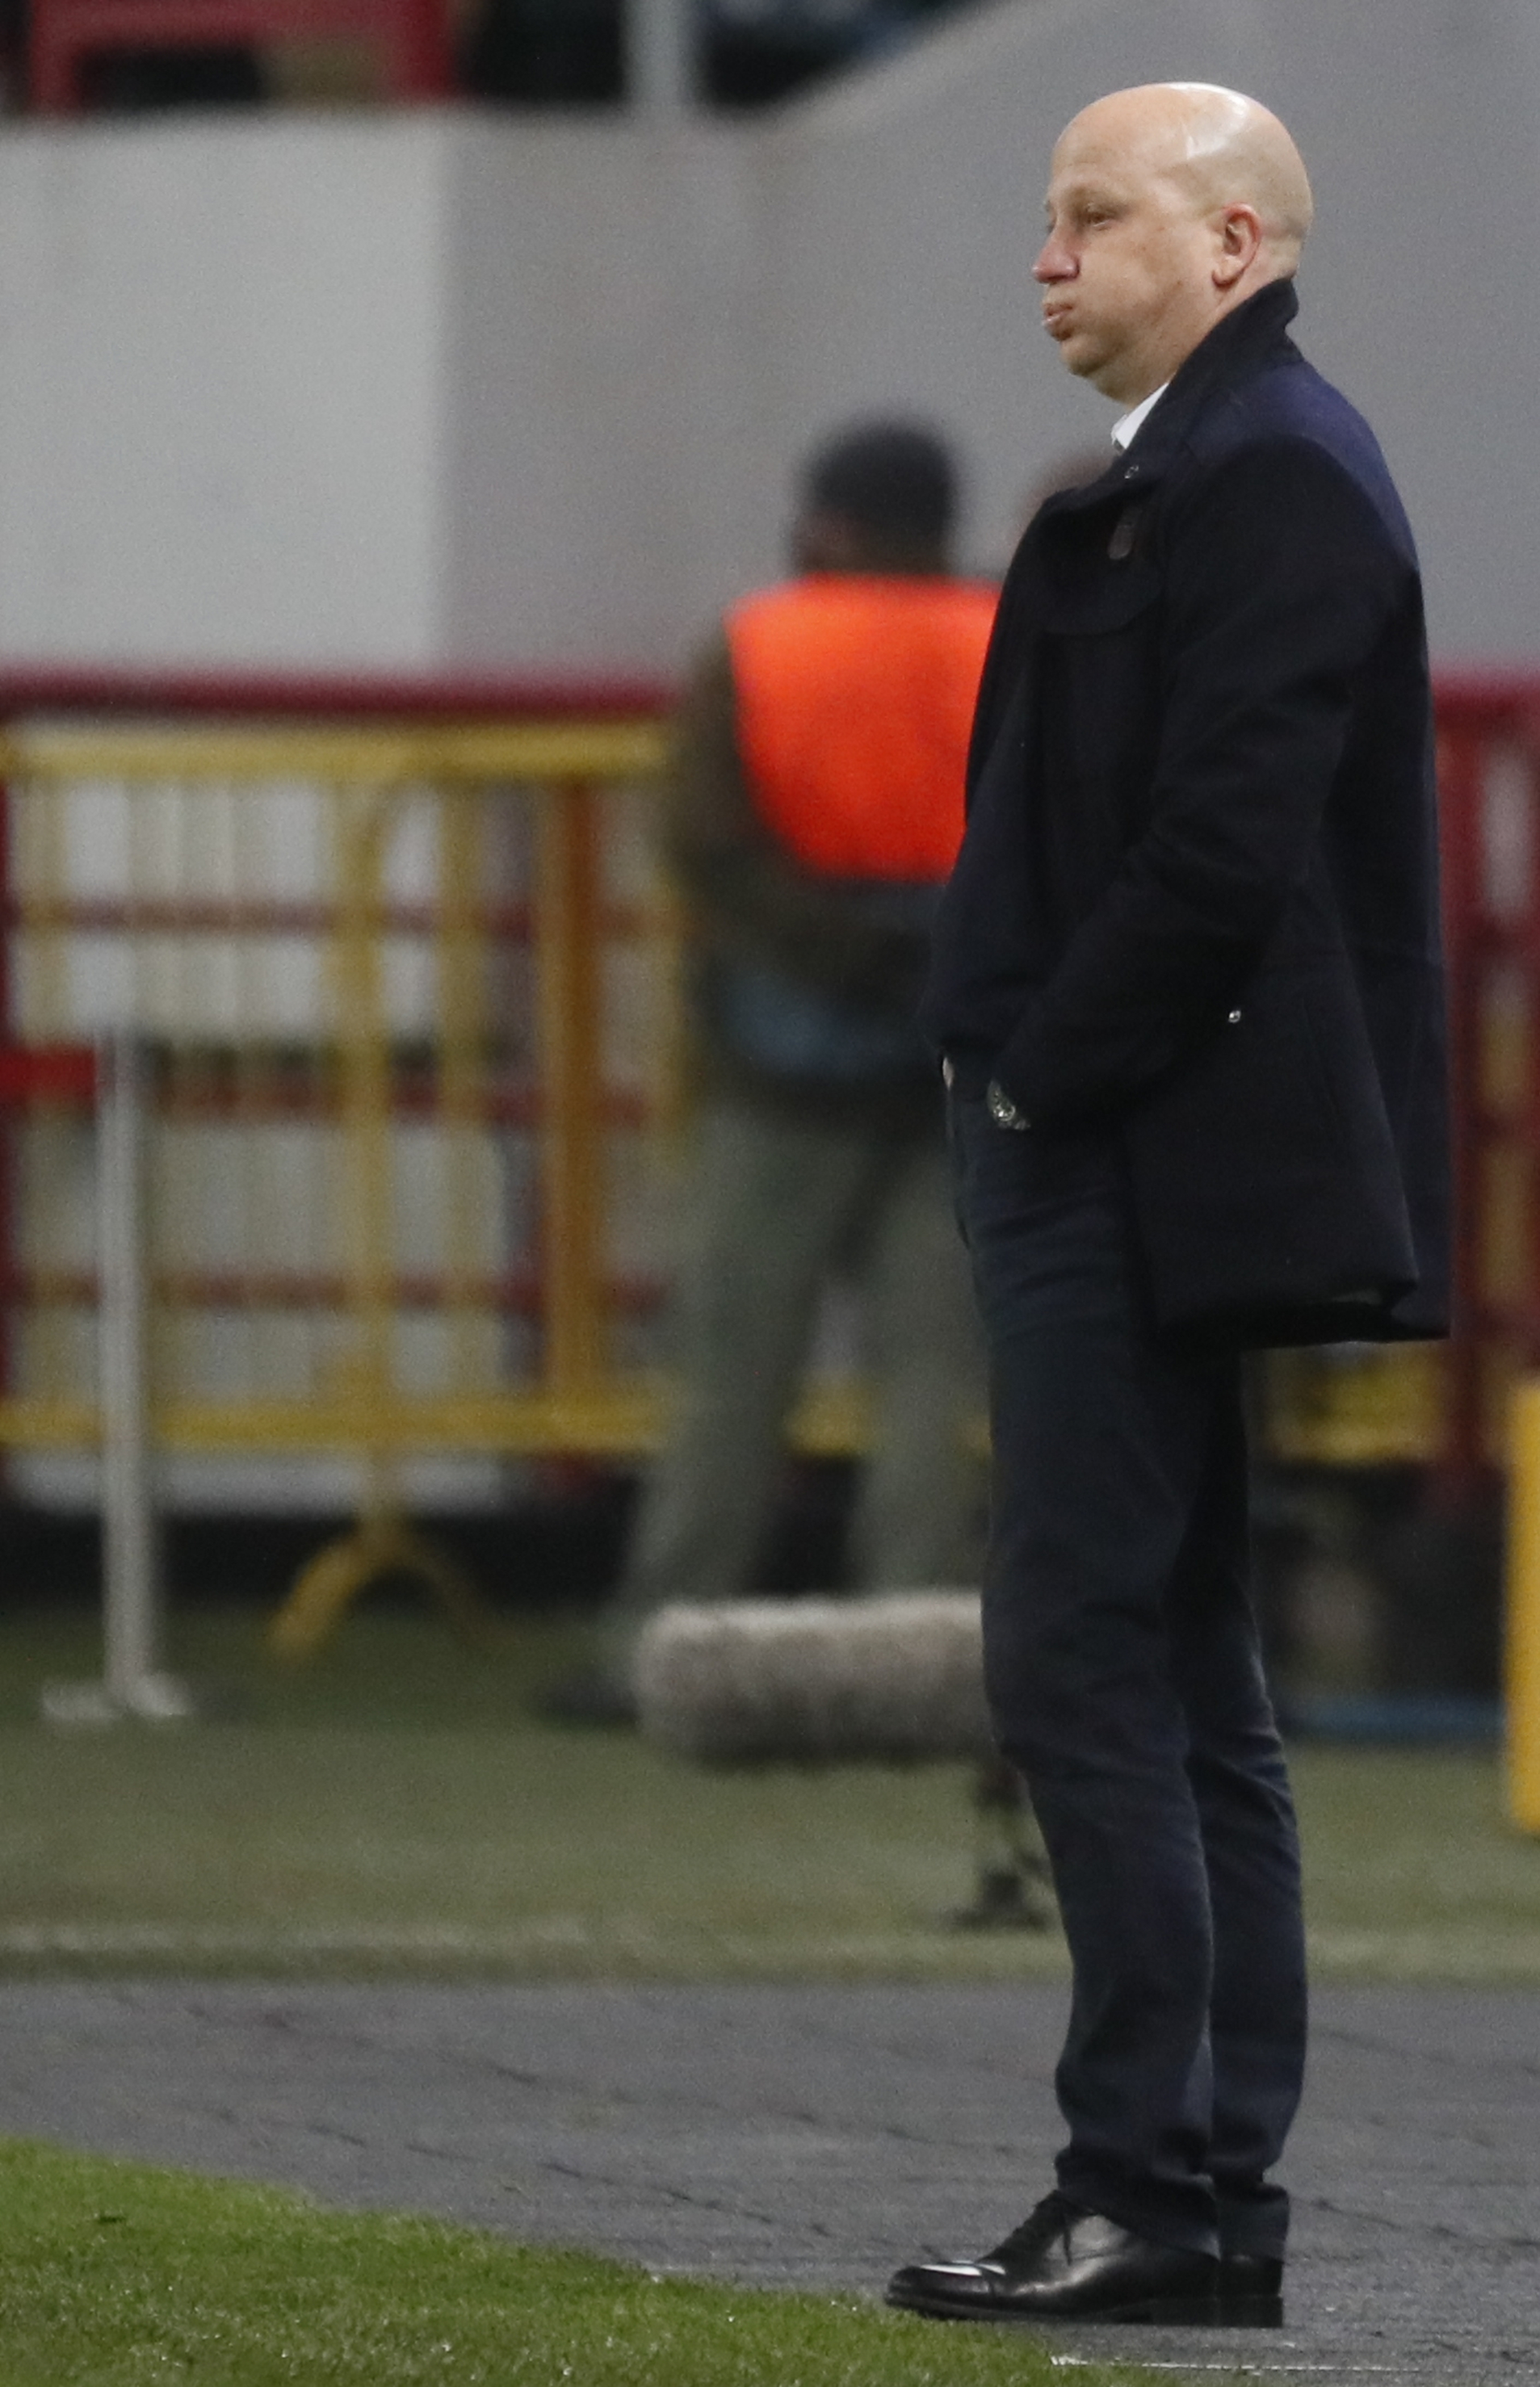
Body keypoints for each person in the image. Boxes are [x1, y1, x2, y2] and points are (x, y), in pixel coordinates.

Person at [890, 86, 1449, 2325]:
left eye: (1091, 218)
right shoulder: (1219, 470)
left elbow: (1218, 850)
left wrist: (1034, 1074)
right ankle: (1187, 2191)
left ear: (1228, 244)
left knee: (1093, 1654)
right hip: (1126, 1135)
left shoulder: (1266, 475)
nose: (1046, 256)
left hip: (1122, 1146)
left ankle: (1153, 2176)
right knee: (1177, 1662)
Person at [535, 422, 997, 1727]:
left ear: (830, 522)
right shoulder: (1012, 644)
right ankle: (925, 1663)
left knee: (734, 1372)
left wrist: (837, 955)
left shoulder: (757, 648)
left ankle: (661, 1646)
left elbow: (704, 838)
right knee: (930, 1383)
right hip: (956, 1061)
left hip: (781, 1062)